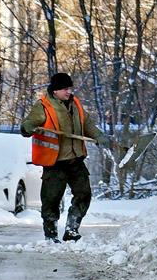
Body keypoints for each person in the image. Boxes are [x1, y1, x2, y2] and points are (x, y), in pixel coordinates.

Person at [21, 71, 110, 242]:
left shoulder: (75, 104)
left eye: (70, 88)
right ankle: (51, 234)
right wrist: (28, 127)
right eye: (64, 89)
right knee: (51, 200)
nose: (69, 92)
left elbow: (87, 124)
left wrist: (98, 136)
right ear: (55, 90)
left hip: (76, 160)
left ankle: (72, 229)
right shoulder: (43, 106)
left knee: (84, 194)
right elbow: (27, 127)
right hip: (55, 163)